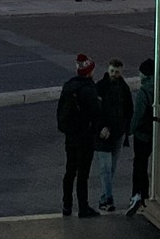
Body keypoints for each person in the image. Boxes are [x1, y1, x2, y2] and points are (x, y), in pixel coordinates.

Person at [56, 55, 103, 218]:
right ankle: (83, 207)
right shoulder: (88, 89)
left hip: (70, 136)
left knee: (70, 171)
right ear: (89, 71)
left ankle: (67, 205)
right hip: (85, 136)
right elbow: (96, 113)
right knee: (83, 174)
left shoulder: (69, 86)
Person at [93, 58, 133, 212]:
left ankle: (105, 198)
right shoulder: (101, 87)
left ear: (121, 72)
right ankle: (107, 199)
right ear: (107, 70)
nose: (114, 74)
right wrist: (102, 127)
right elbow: (96, 112)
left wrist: (125, 129)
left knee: (110, 169)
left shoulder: (123, 88)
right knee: (106, 169)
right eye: (112, 71)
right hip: (103, 135)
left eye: (117, 72)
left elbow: (128, 110)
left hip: (117, 134)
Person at [127, 58, 155, 214]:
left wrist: (130, 130)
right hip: (154, 133)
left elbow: (137, 116)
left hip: (142, 135)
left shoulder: (143, 92)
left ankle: (138, 195)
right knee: (148, 164)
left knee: (139, 165)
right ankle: (147, 195)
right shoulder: (159, 88)